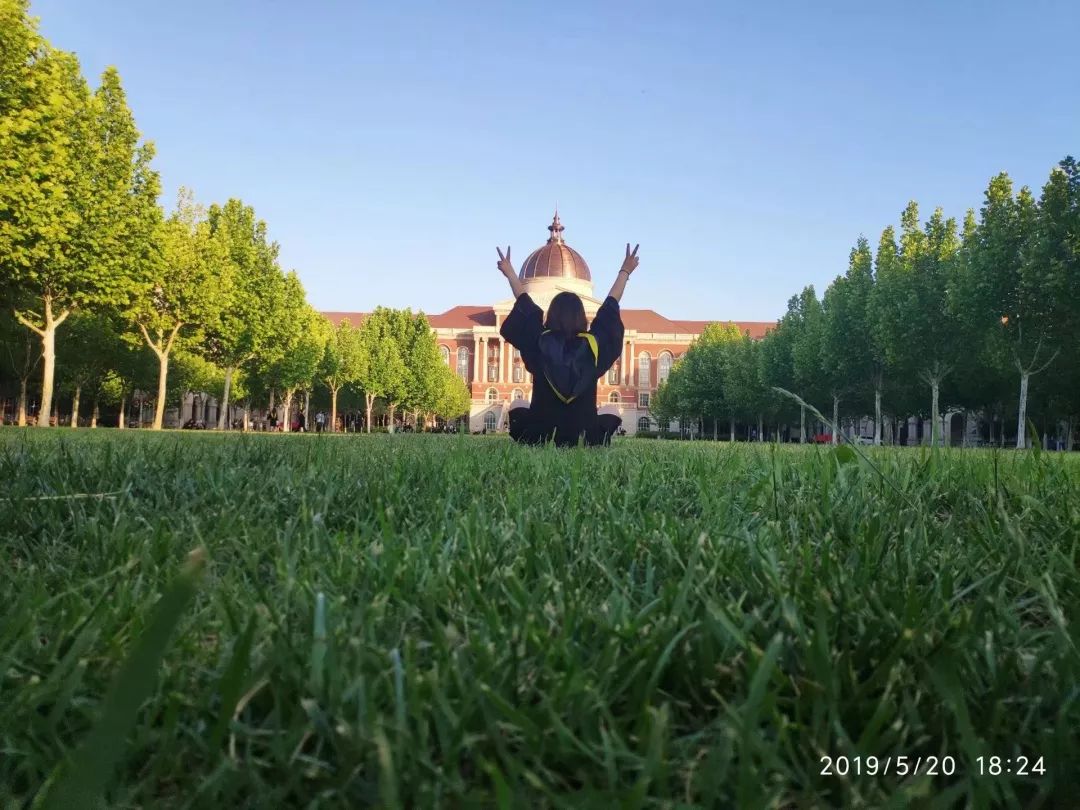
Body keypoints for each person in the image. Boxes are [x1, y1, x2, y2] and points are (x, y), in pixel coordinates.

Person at [497, 241, 639, 447]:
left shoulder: (540, 340)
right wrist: (625, 270)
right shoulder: (593, 345)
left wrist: (510, 273)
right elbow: (610, 305)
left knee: (518, 404)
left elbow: (524, 303)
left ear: (551, 314)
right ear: (582, 316)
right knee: (612, 410)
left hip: (541, 436)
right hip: (583, 437)